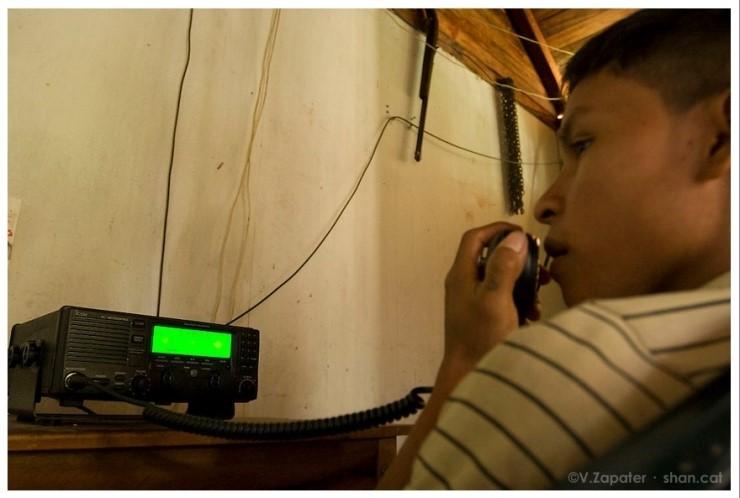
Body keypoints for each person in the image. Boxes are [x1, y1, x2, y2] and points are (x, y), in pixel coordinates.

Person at [378, 9, 730, 489]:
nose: (545, 204)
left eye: (583, 144)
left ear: (721, 138)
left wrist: (464, 364)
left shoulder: (550, 373)